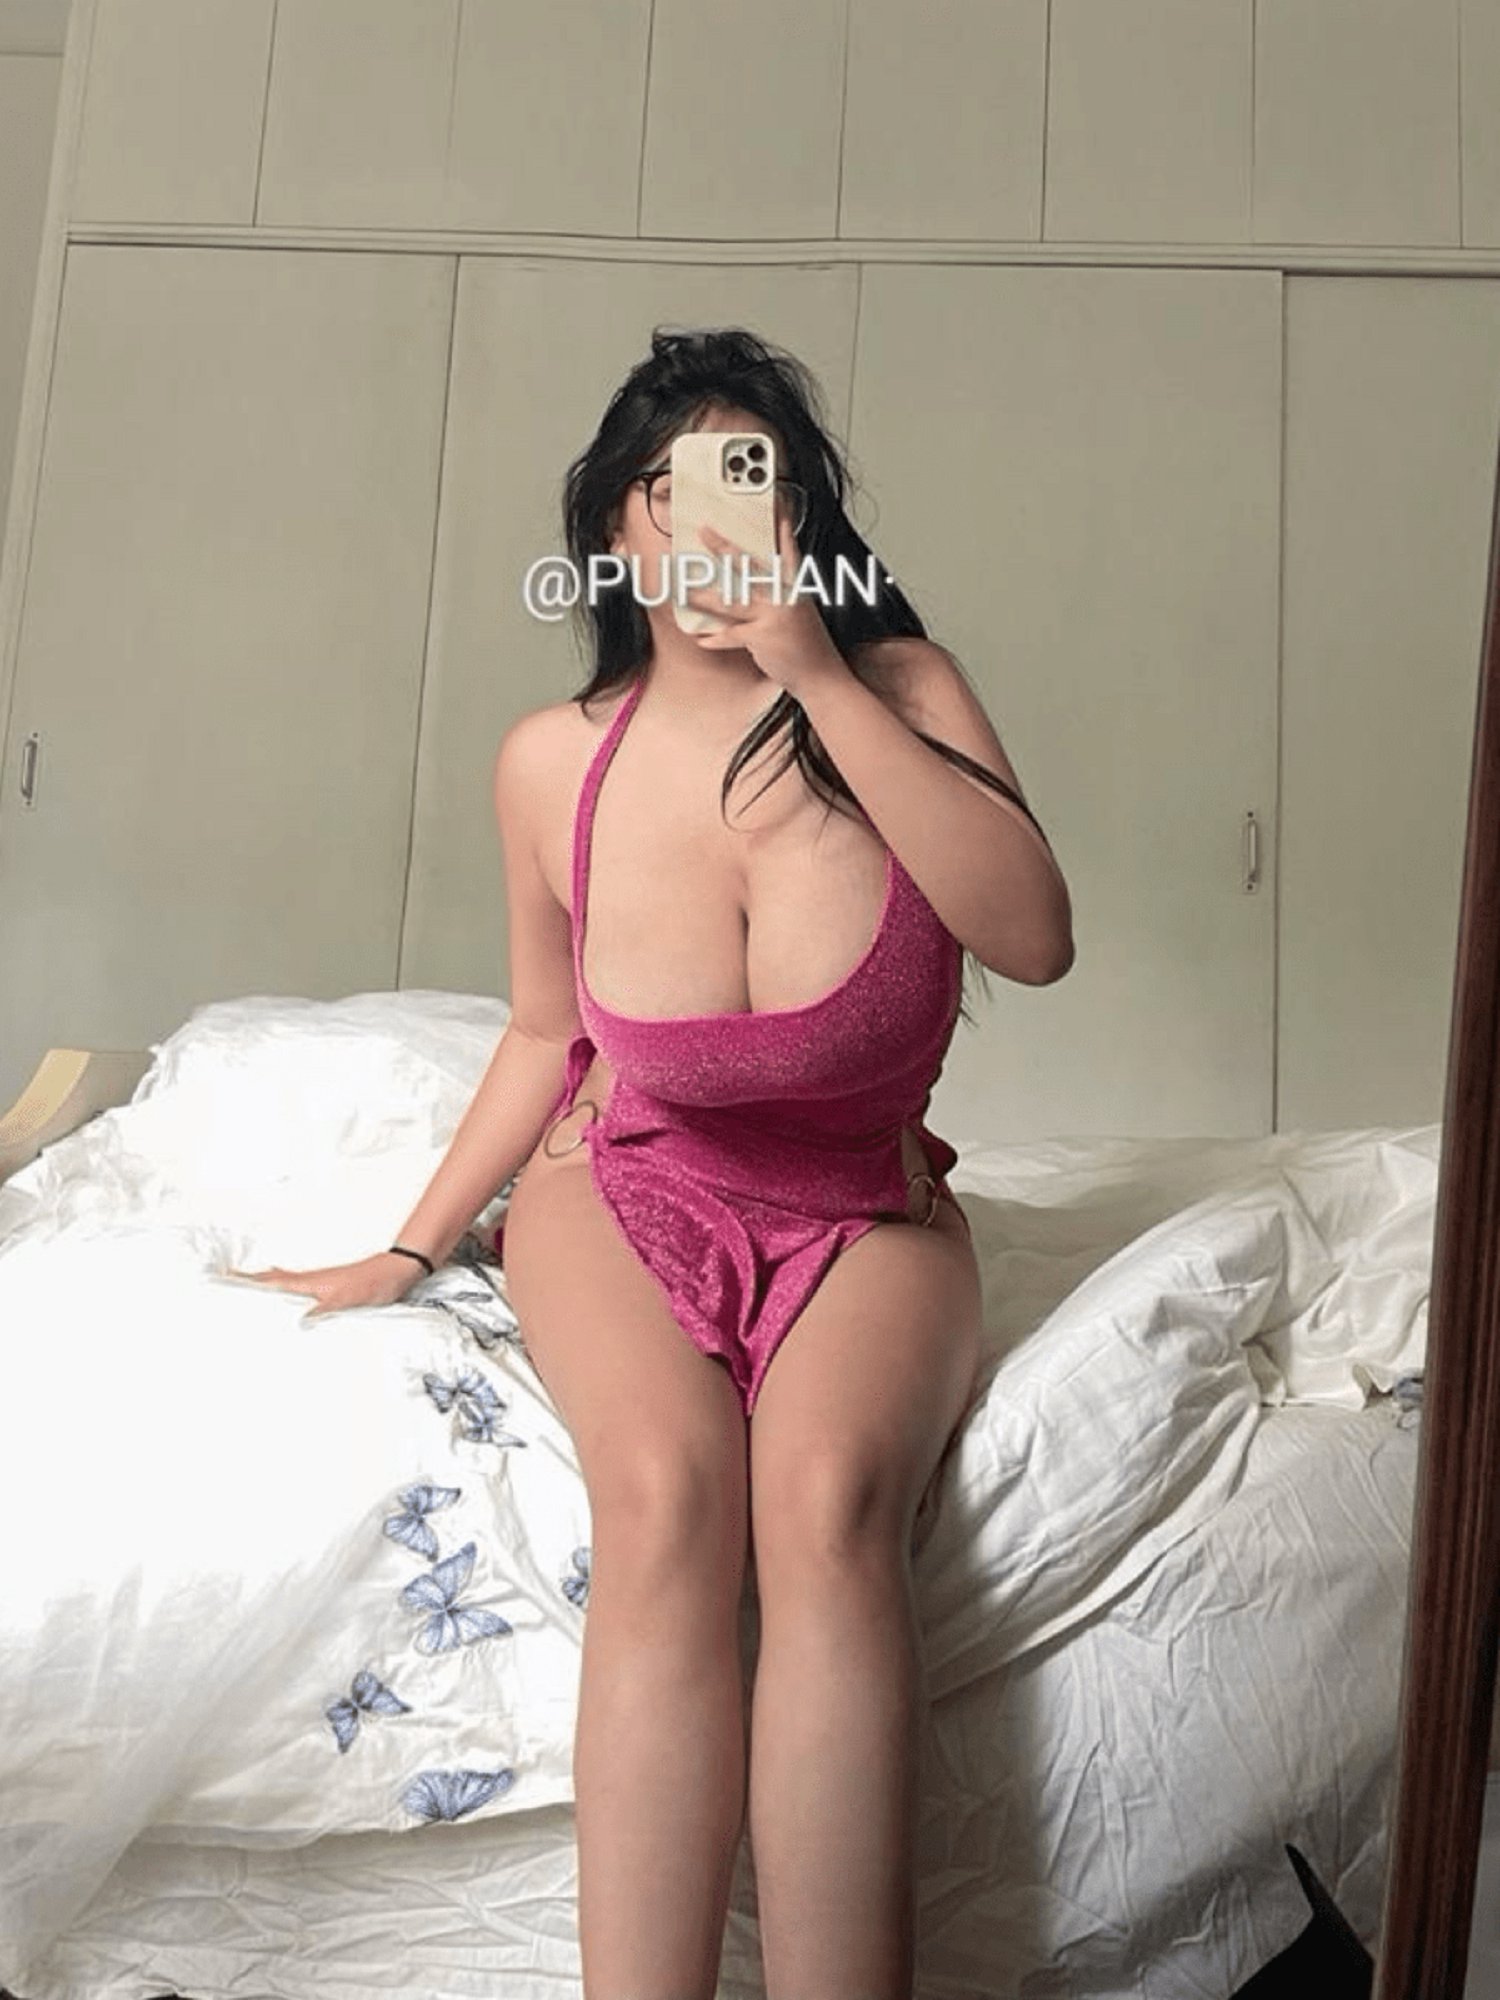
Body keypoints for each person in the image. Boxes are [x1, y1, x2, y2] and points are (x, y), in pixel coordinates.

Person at [232, 327, 1074, 1999]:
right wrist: (411, 1246)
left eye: (746, 482)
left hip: (865, 1204)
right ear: (613, 529)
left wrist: (818, 670)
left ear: (798, 520)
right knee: (670, 1497)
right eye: (665, 487)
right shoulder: (554, 761)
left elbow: (1035, 939)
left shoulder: (902, 692)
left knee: (827, 1507)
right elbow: (546, 1032)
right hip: (622, 1184)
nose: (702, 523)